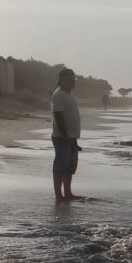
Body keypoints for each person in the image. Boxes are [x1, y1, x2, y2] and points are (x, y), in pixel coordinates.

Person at [50, 67, 82, 200]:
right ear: (62, 80)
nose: (73, 82)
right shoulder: (58, 95)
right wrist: (65, 135)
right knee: (61, 166)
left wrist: (73, 138)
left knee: (69, 167)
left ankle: (68, 193)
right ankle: (59, 194)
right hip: (62, 136)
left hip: (71, 136)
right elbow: (58, 116)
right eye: (70, 79)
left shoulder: (68, 94)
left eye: (74, 79)